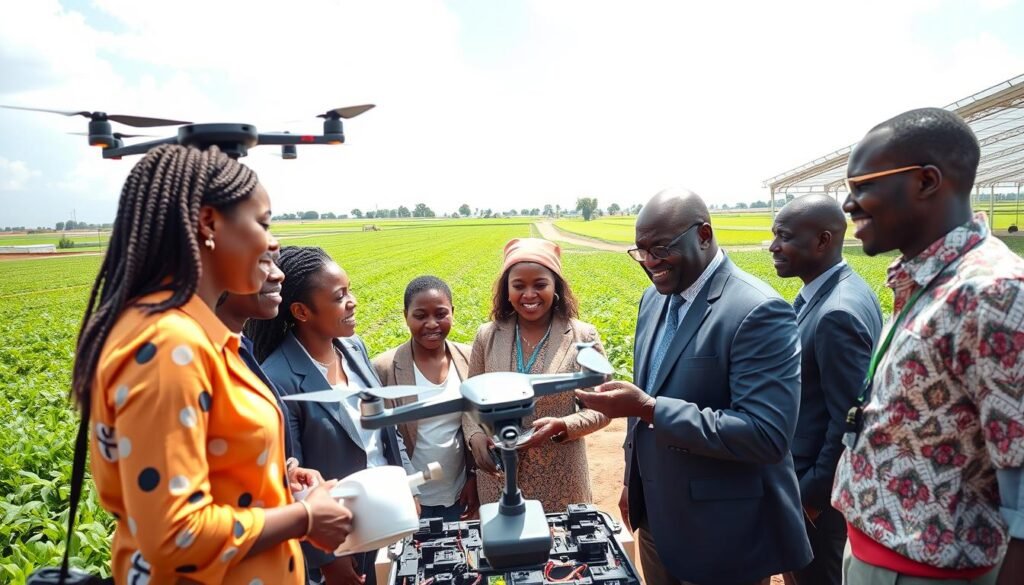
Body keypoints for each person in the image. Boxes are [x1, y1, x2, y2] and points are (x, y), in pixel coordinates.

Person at [77, 145, 352, 584]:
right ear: (209, 224)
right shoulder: (170, 346)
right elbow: (174, 536)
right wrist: (303, 517)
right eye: (262, 222)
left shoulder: (197, 333)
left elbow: (210, 462)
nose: (273, 242)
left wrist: (276, 479)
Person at [577, 189, 812, 585]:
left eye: (661, 248)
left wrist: (650, 409)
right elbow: (650, 391)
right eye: (641, 250)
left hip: (721, 534)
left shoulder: (756, 310)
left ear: (704, 234)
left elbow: (766, 435)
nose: (650, 262)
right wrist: (630, 484)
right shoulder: (653, 300)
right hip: (656, 518)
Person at [833, 107, 1024, 585]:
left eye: (862, 186)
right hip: (874, 554)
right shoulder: (926, 279)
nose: (848, 205)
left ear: (926, 181)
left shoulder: (991, 291)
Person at [248, 245, 417, 585]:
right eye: (340, 296)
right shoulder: (279, 379)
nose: (352, 301)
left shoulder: (354, 348)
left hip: (389, 514)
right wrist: (326, 558)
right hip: (340, 538)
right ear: (302, 311)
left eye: (349, 290)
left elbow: (388, 427)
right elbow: (289, 478)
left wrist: (409, 486)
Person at [768, 195, 883, 585]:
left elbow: (849, 418)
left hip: (817, 500)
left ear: (823, 240)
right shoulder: (839, 291)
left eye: (784, 236)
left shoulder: (836, 313)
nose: (773, 247)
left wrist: (812, 496)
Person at [465, 237, 609, 512]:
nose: (529, 294)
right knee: (504, 552)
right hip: (497, 482)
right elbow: (469, 403)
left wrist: (563, 426)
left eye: (540, 285)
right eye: (518, 286)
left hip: (560, 482)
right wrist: (475, 438)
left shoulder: (582, 336)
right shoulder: (488, 336)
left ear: (556, 287)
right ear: (507, 290)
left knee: (563, 553)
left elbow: (603, 408)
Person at [372, 275, 480, 522]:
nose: (432, 324)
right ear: (405, 316)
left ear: (452, 312)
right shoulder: (384, 368)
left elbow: (477, 423)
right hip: (410, 497)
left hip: (458, 492)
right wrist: (405, 492)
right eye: (420, 316)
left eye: (440, 314)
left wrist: (473, 476)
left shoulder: (469, 358)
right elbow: (383, 440)